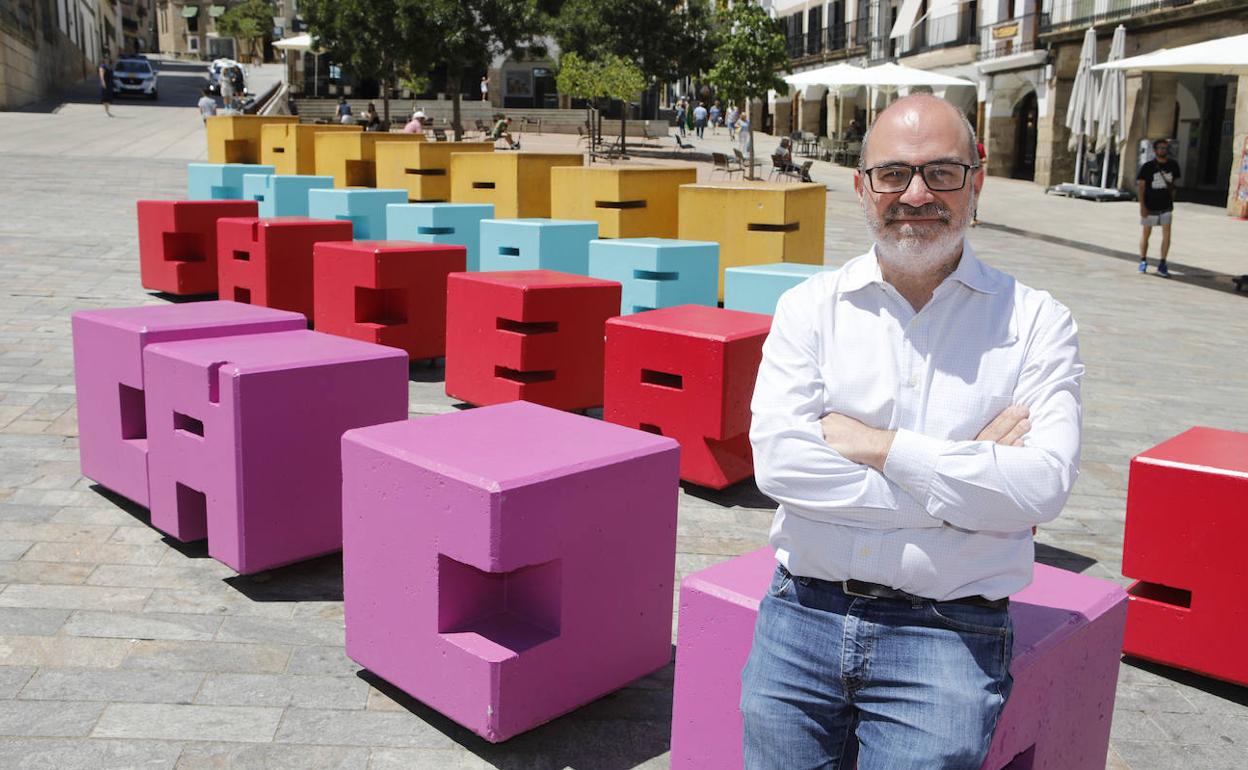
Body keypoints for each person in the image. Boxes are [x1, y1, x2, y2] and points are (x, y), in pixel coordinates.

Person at [741, 93, 1083, 769]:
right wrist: (968, 481)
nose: (917, 193)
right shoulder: (809, 309)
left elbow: (1040, 489)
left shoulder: (1039, 322)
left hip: (949, 635)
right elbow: (780, 467)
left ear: (976, 182)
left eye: (942, 173)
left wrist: (878, 447)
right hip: (800, 618)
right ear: (862, 186)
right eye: (894, 173)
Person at [1137, 138, 1180, 278]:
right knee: (1146, 233)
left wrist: (1172, 201)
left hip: (1166, 205)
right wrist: (1142, 206)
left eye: (1164, 148)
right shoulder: (1147, 167)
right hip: (1150, 205)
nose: (1163, 150)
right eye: (1160, 148)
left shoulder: (1173, 166)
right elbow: (1141, 187)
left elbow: (1174, 185)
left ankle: (1162, 262)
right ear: (1155, 151)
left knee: (1167, 233)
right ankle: (1143, 260)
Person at [971, 139, 986, 226]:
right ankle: (970, 217)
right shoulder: (966, 145)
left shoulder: (979, 146)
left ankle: (973, 217)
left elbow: (984, 158)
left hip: (978, 172)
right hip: (970, 172)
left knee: (976, 194)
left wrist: (979, 161)